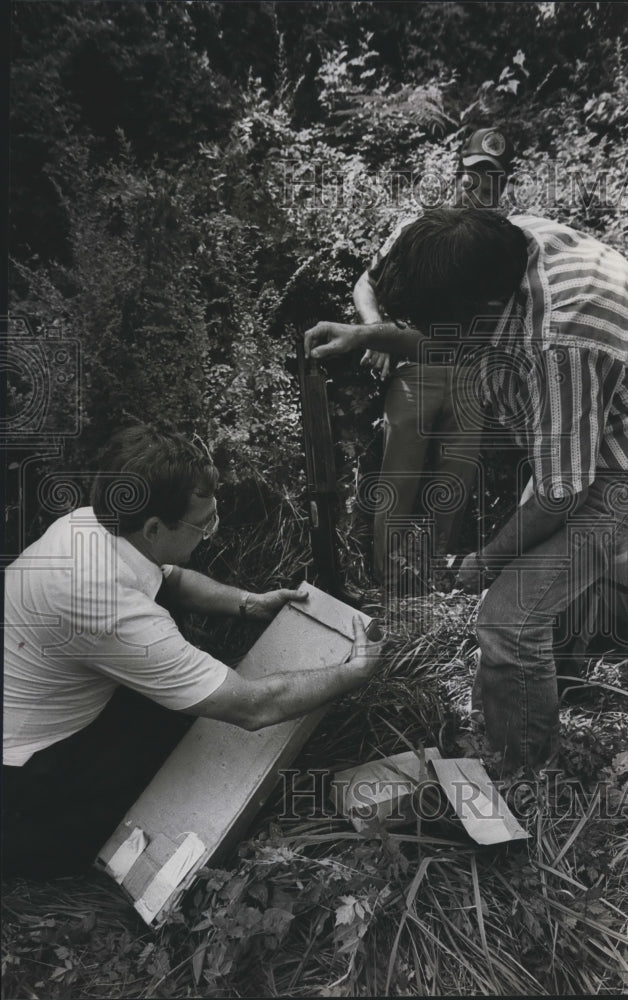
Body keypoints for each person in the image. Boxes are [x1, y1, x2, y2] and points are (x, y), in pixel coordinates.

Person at [305, 207, 628, 772]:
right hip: (589, 434)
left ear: (479, 312)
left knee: (507, 621)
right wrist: (365, 333)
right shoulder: (493, 247)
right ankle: (555, 697)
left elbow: (562, 494)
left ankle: (523, 776)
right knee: (541, 583)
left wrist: (485, 560)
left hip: (614, 469)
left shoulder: (557, 344)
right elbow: (451, 339)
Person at [3, 423, 382, 875]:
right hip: (26, 768)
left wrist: (248, 604)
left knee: (174, 708)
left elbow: (171, 579)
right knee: (166, 754)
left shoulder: (91, 524)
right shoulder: (111, 608)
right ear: (154, 526)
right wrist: (351, 672)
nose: (212, 533)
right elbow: (254, 707)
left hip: (38, 692)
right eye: (203, 525)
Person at [355, 128, 514, 582]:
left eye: (488, 177)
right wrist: (375, 333)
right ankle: (389, 583)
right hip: (415, 367)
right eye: (469, 174)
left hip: (471, 375)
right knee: (398, 481)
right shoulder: (419, 227)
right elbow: (367, 283)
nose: (474, 185)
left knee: (454, 484)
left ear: (502, 185)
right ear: (457, 175)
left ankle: (435, 582)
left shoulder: (508, 241)